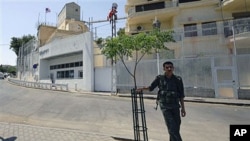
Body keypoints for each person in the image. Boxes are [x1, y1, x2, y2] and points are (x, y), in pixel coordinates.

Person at [137, 61, 186, 141]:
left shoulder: (178, 79)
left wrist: (183, 109)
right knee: (172, 127)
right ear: (164, 69)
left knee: (176, 127)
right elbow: (151, 87)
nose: (169, 69)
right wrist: (142, 89)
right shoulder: (160, 78)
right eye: (167, 67)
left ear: (173, 68)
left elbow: (181, 95)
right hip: (165, 106)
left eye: (171, 67)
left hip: (175, 106)